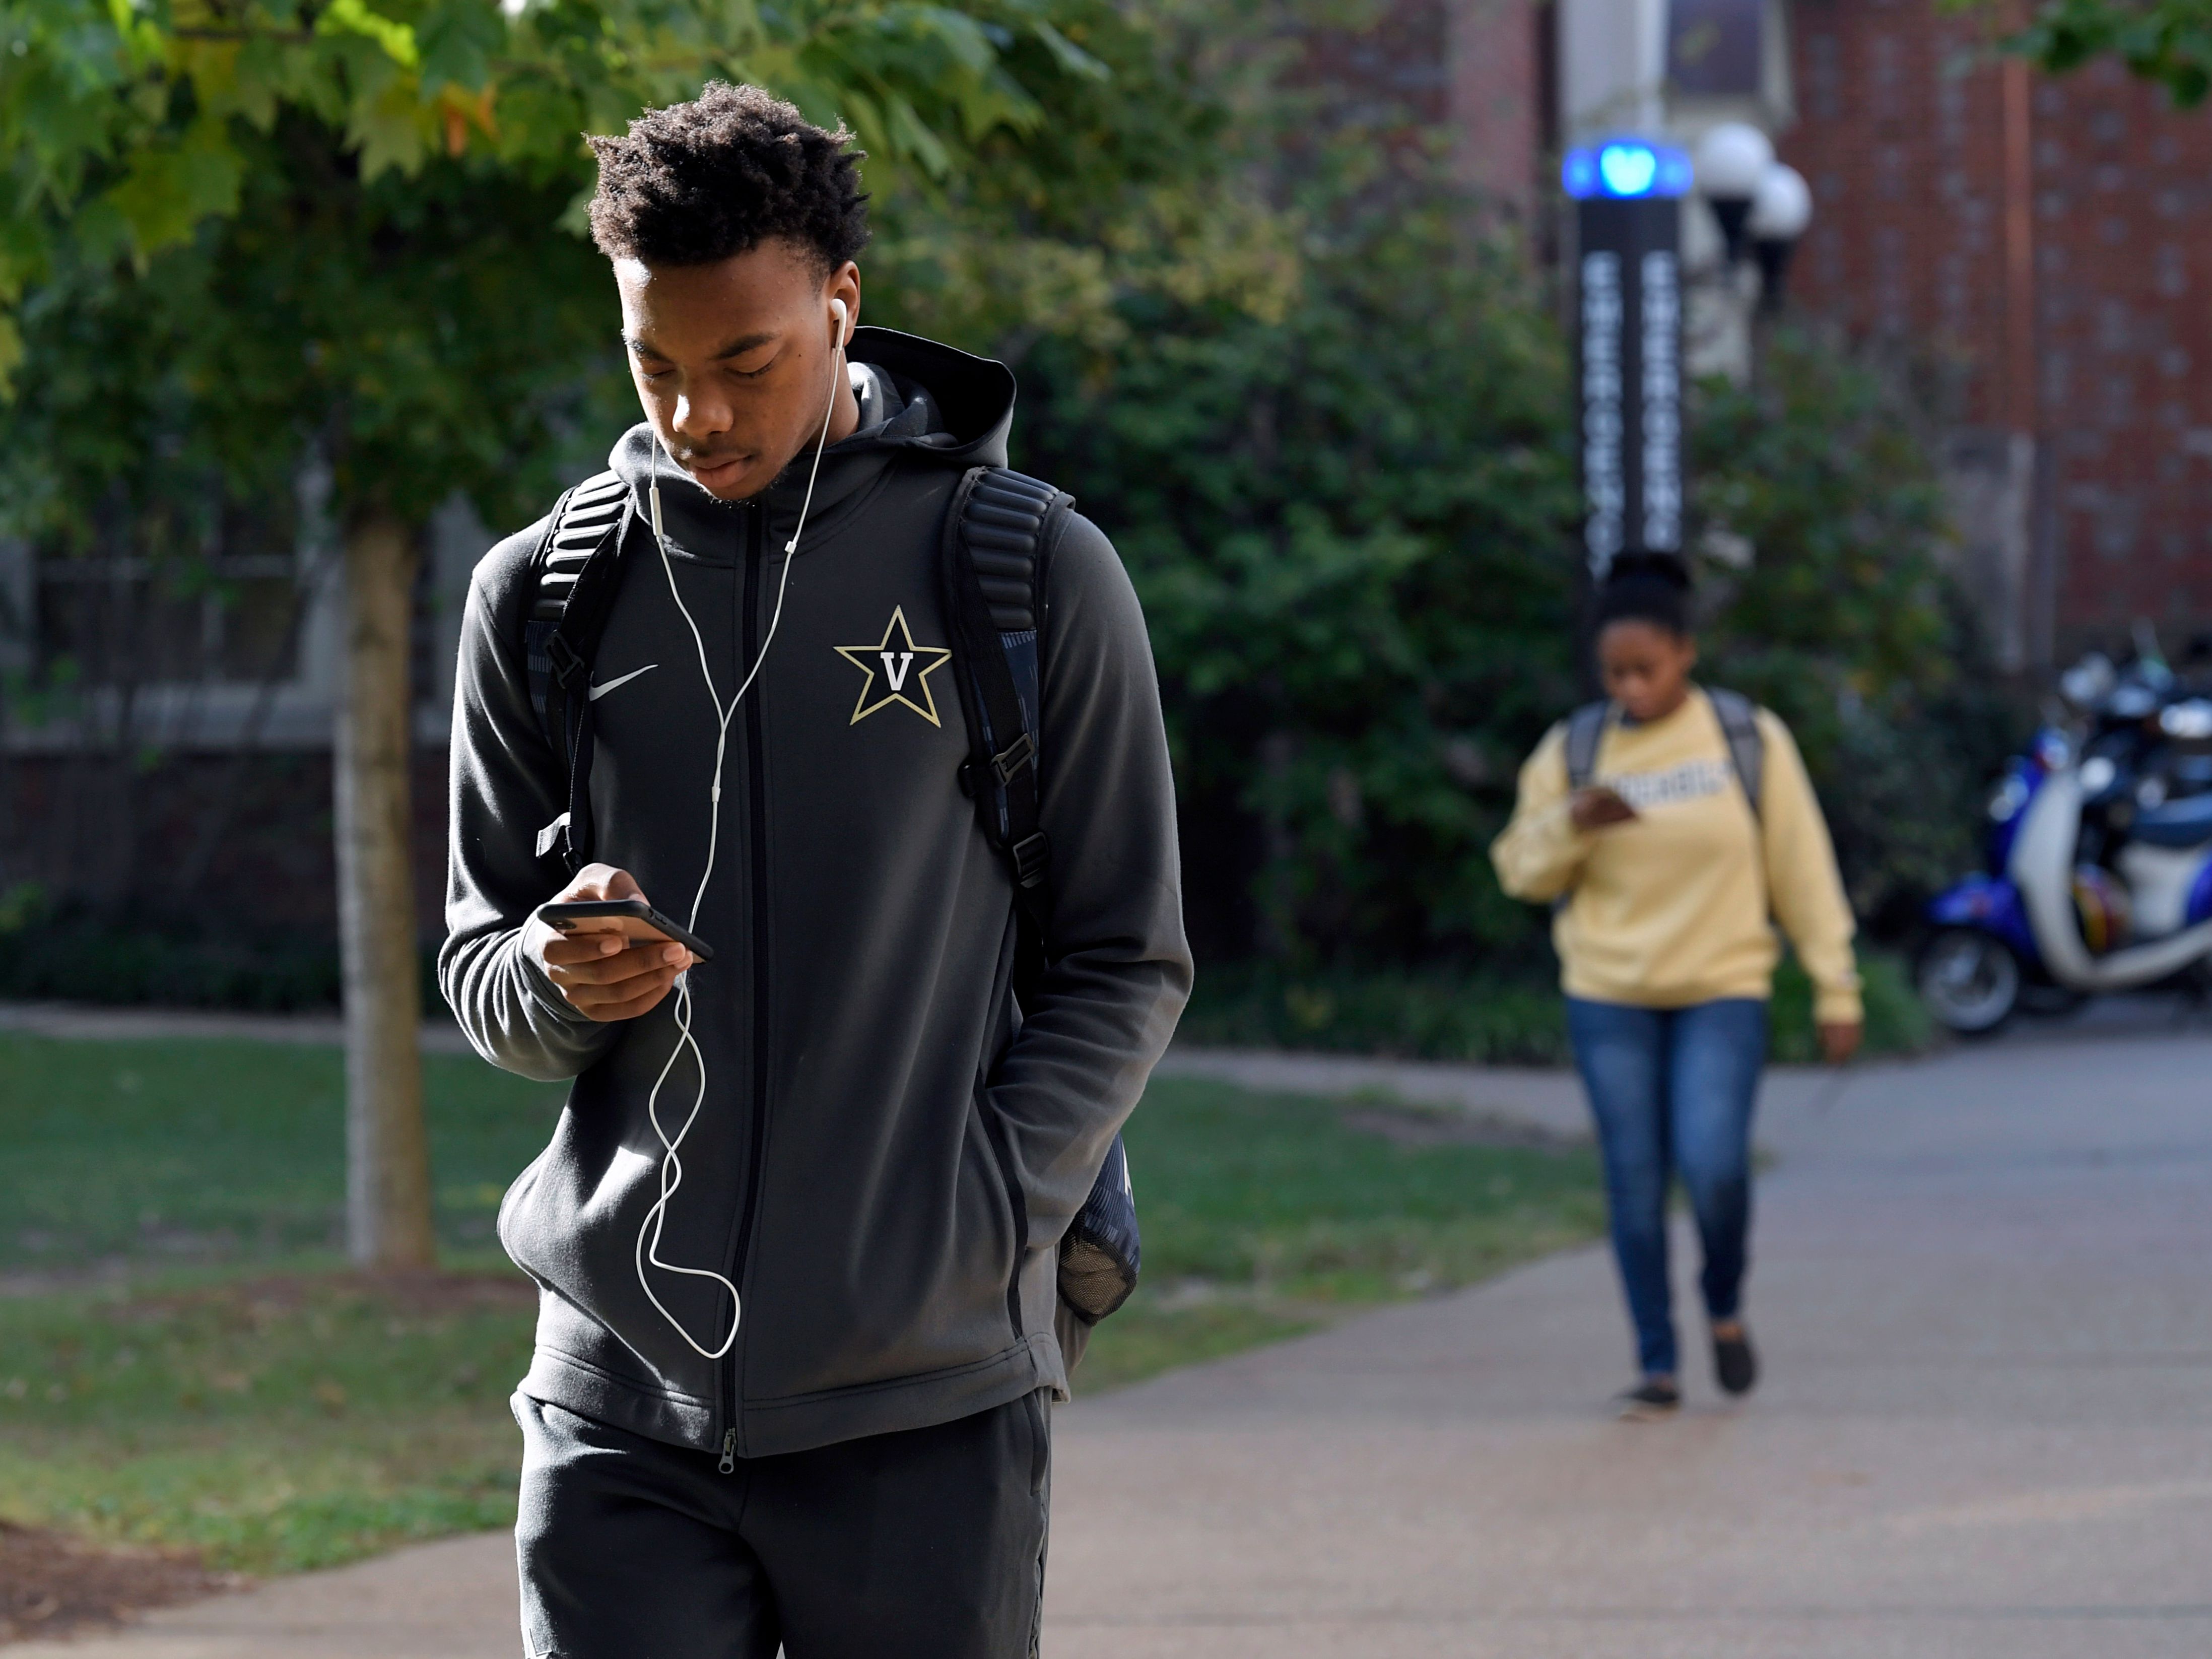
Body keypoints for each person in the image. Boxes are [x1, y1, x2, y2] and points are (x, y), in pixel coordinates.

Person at [438, 84, 1190, 1657]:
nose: (696, 412)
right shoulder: (543, 596)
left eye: (745, 361)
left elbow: (1128, 954)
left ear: (840, 307)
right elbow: (477, 963)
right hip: (615, 1408)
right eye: (654, 364)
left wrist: (982, 1210)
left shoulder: (1029, 569)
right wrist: (553, 976)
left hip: (923, 1400)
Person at [1490, 557, 1859, 1421]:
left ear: (1686, 653)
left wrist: (1835, 982)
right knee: (1634, 1180)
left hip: (1722, 987)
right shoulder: (1575, 748)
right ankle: (1657, 1364)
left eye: (1646, 669)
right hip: (1609, 992)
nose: (1630, 686)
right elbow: (1519, 870)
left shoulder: (1746, 739)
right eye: (1614, 671)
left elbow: (1802, 866)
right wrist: (1575, 821)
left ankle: (1723, 1304)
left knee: (1714, 1164)